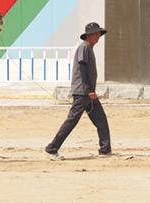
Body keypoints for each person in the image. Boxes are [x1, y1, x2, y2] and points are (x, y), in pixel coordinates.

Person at [44, 22, 112, 160]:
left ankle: (105, 149)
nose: (98, 36)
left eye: (99, 34)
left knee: (101, 119)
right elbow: (82, 69)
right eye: (96, 34)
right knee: (72, 120)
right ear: (89, 35)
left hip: (87, 93)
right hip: (83, 92)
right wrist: (89, 90)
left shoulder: (88, 48)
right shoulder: (84, 47)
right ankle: (52, 148)